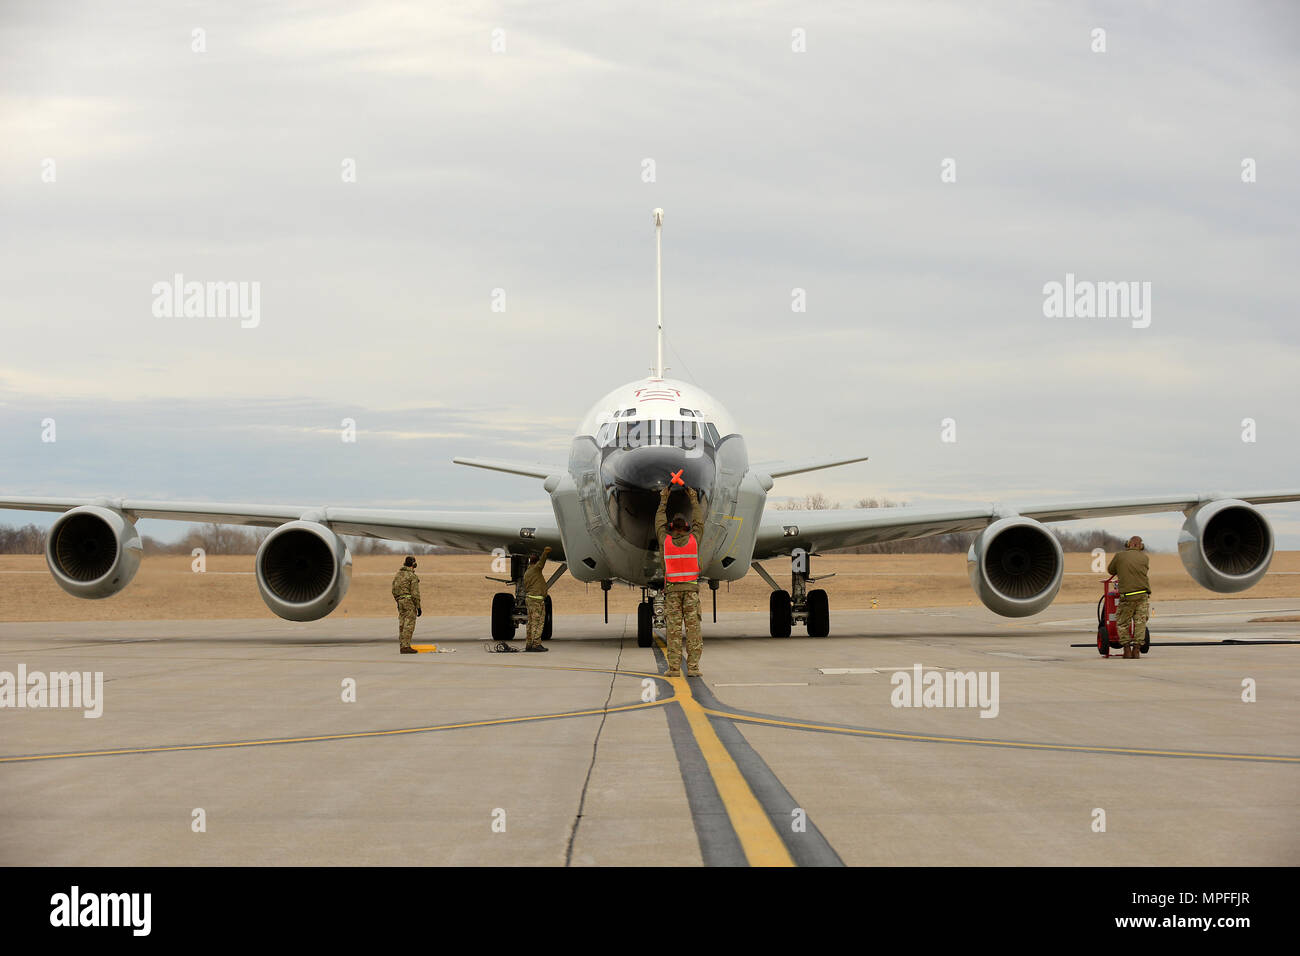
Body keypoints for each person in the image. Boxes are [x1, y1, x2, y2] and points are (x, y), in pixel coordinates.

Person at [656, 484, 706, 677]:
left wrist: (663, 499)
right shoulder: (694, 540)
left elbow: (659, 523)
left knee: (674, 631)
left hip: (672, 592)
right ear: (686, 527)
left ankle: (674, 668)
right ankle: (693, 668)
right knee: (693, 630)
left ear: (671, 528)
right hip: (691, 592)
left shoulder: (665, 541)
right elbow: (699, 522)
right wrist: (693, 498)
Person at [1107, 536, 1150, 659]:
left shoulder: (1120, 556)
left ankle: (1126, 649)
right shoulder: (1145, 558)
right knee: (1140, 622)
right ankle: (1137, 649)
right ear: (1141, 546)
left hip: (1127, 596)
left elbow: (1111, 570)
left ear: (1128, 544)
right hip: (1142, 594)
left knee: (1122, 622)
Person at [522, 546, 552, 652]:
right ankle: (536, 644)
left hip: (530, 599)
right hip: (536, 601)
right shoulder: (535, 569)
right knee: (538, 622)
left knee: (530, 622)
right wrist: (545, 553)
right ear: (536, 561)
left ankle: (529, 643)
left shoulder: (527, 572)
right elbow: (542, 563)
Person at [392, 555, 422, 654]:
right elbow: (415, 593)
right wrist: (418, 606)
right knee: (409, 624)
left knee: (402, 623)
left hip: (400, 601)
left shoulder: (398, 574)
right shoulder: (412, 576)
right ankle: (406, 646)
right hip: (409, 602)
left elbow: (394, 589)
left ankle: (402, 645)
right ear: (414, 564)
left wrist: (398, 600)